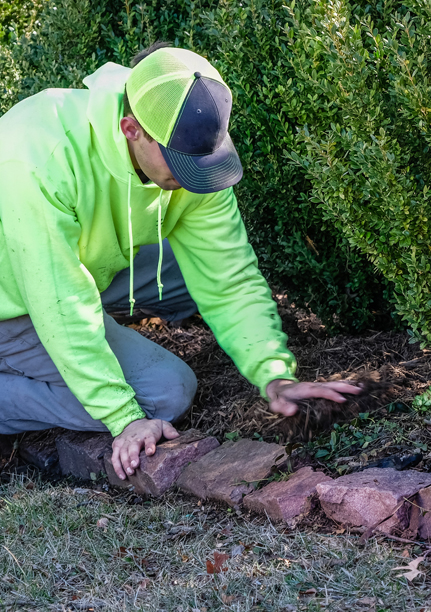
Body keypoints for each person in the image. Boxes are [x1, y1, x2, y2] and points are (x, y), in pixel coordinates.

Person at [0, 42, 360, 480]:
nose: (193, 177)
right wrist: (123, 417)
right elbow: (60, 302)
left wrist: (274, 374)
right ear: (131, 128)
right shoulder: (38, 155)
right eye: (179, 164)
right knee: (165, 395)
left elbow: (227, 273)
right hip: (17, 296)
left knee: (188, 274)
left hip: (84, 264)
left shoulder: (190, 149)